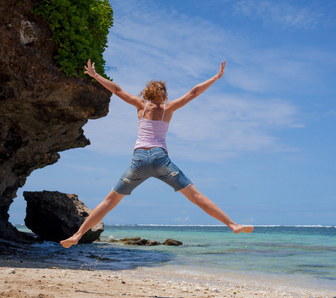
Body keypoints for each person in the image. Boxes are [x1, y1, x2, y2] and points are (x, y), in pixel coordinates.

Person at [60, 60, 253, 248]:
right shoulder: (168, 108)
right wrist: (215, 77)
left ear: (147, 93)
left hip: (139, 160)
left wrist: (95, 76)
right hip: (161, 159)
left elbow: (117, 90)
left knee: (110, 201)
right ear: (164, 94)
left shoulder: (140, 105)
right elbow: (194, 92)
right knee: (195, 197)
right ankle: (233, 225)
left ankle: (77, 235)